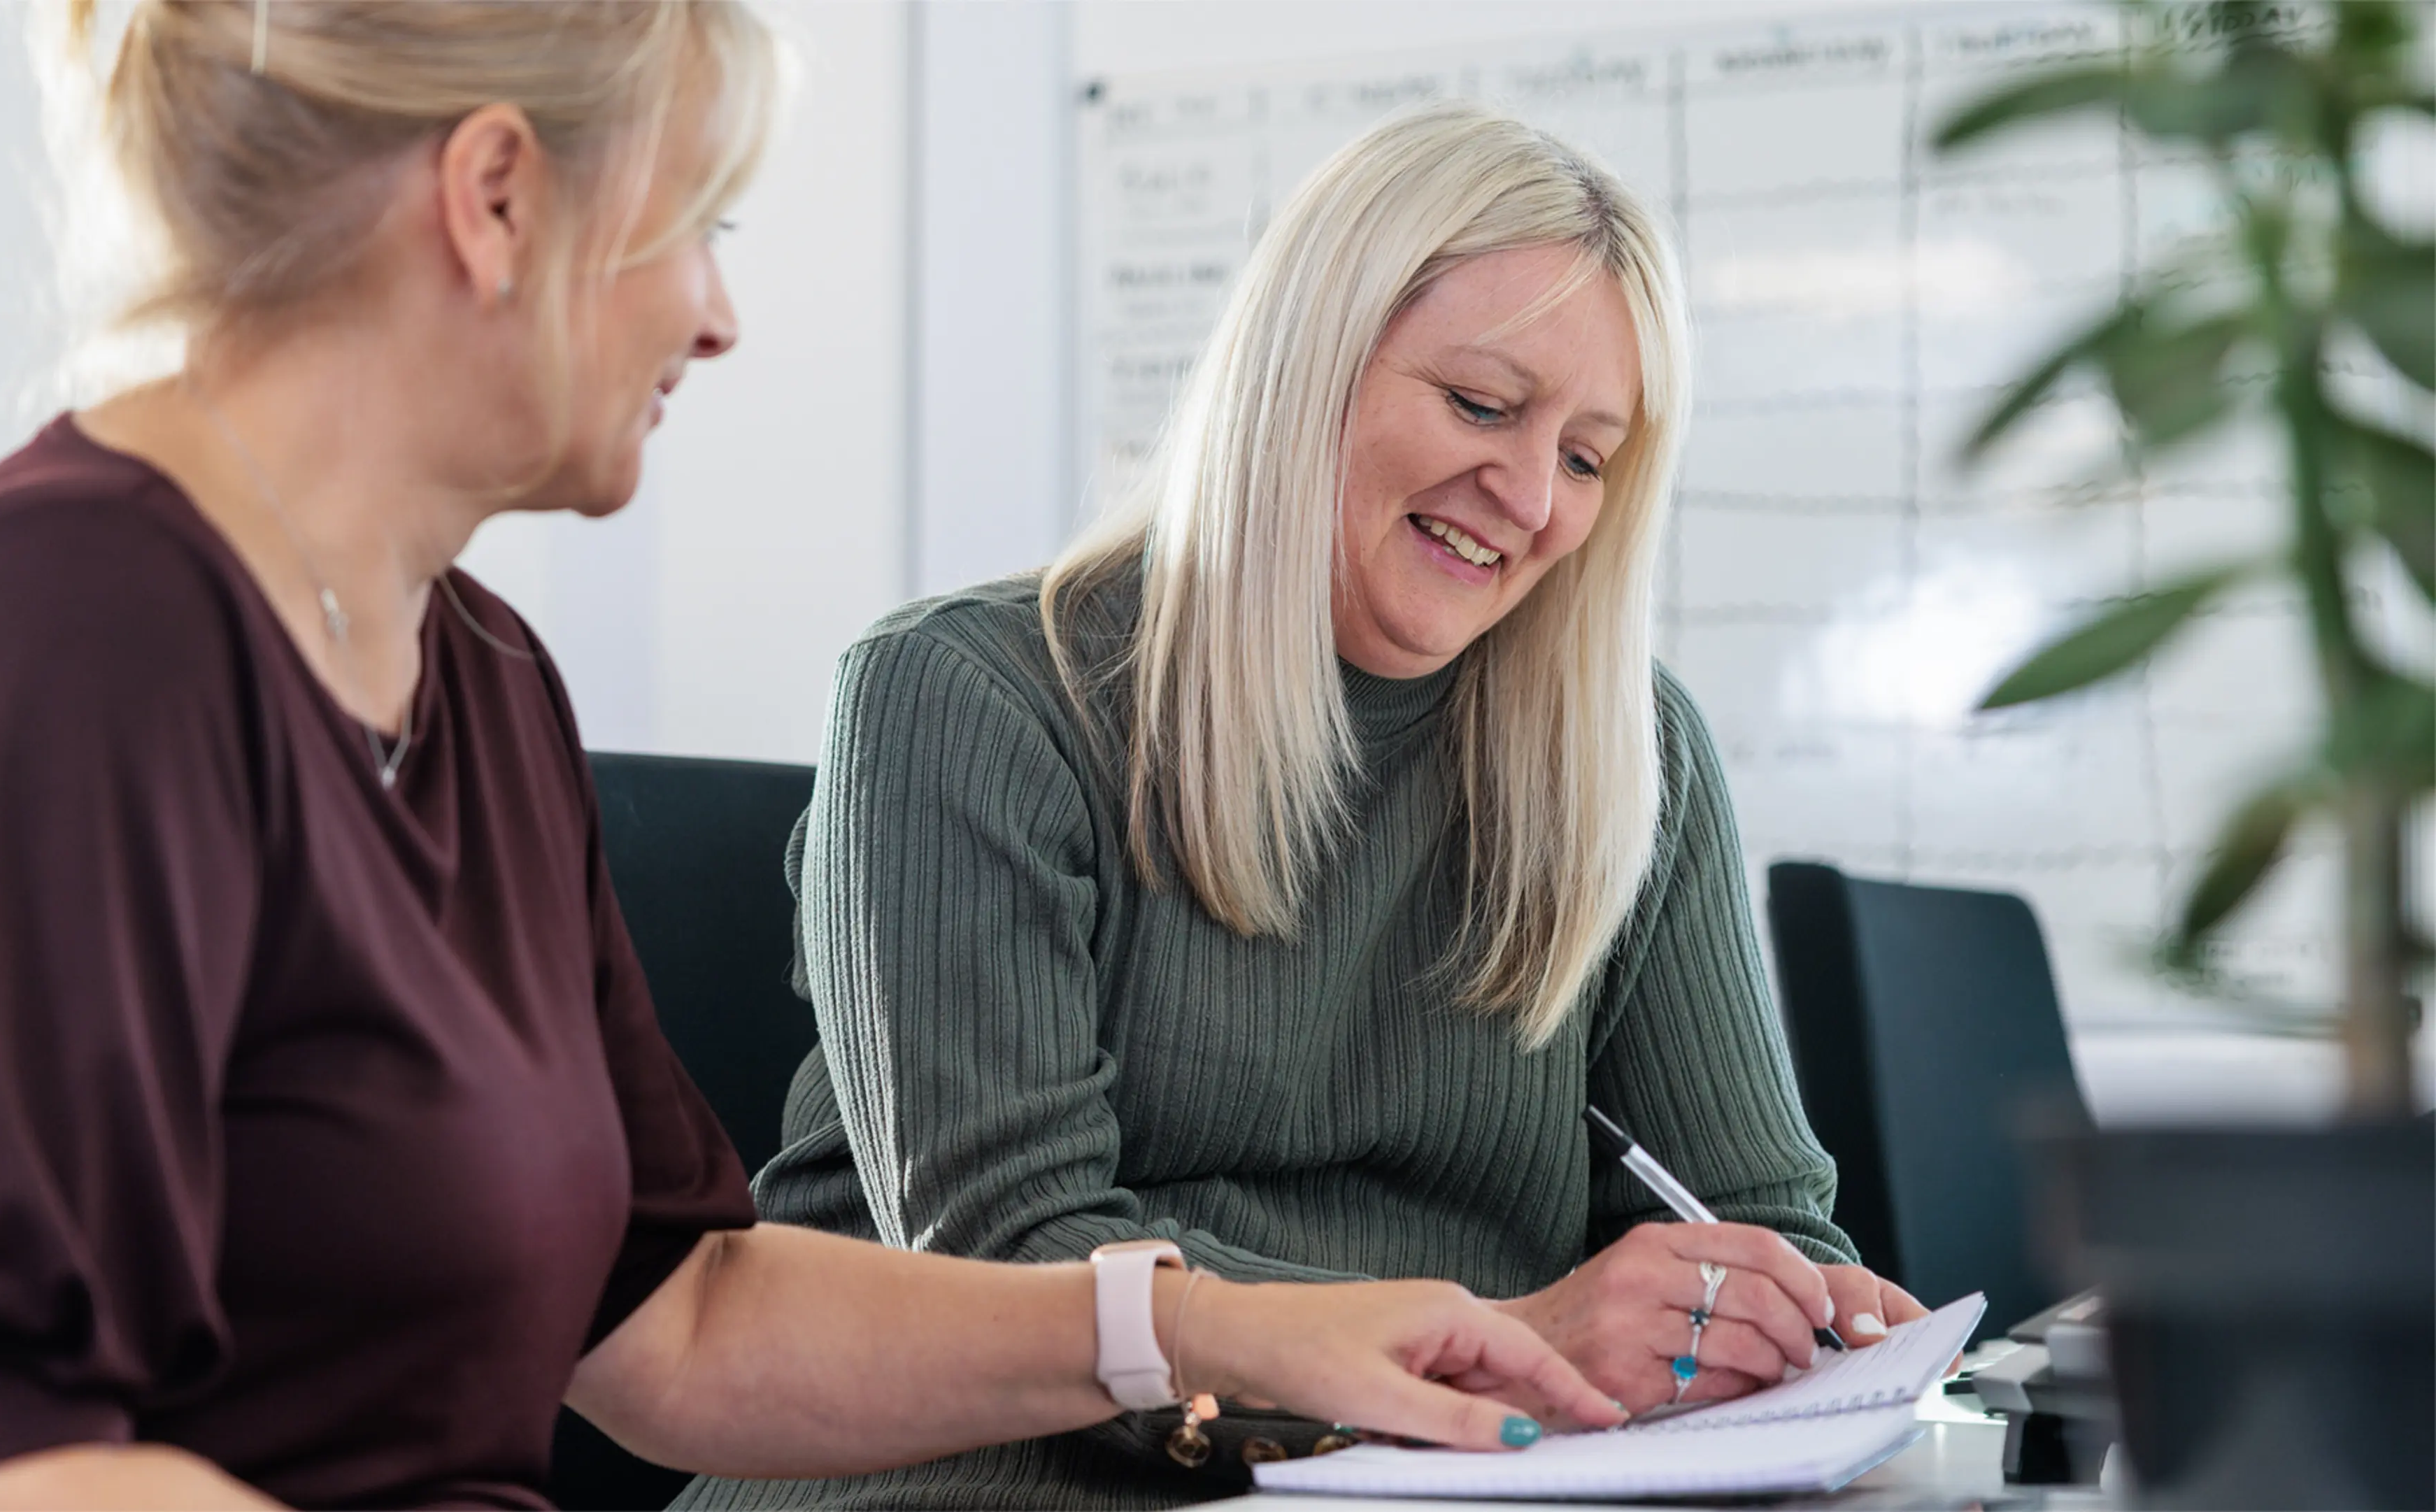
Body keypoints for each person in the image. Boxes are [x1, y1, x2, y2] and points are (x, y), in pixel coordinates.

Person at [0, 10, 1634, 1509]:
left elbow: (675, 1315)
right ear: (498, 199)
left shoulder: (474, 674)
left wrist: (1233, 1333)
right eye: (699, 224)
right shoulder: (58, 644)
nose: (723, 315)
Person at [674, 101, 1930, 1511]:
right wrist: (1507, 1343)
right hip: (979, 1481)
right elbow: (1003, 1267)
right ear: (1304, 366)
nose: (1526, 497)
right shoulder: (965, 696)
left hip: (1424, 1481)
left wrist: (1785, 1315)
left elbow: (1744, 1212)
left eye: (1586, 457)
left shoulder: (1628, 750)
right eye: (1481, 404)